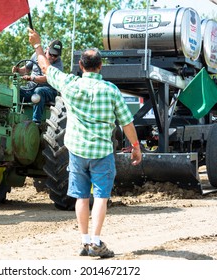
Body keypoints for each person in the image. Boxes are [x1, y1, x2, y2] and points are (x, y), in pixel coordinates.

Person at [28, 28, 142, 258]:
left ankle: (84, 241)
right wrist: (136, 147)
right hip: (101, 153)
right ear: (100, 67)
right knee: (100, 197)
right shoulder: (111, 91)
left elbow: (45, 68)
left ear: (81, 66)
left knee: (81, 197)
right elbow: (127, 123)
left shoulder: (70, 84)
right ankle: (96, 242)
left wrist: (37, 45)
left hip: (77, 152)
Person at [12, 39, 64, 124]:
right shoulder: (37, 55)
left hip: (48, 90)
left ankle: (36, 123)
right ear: (47, 49)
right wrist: (17, 70)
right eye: (51, 54)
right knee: (16, 91)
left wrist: (32, 78)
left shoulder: (58, 64)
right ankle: (14, 118)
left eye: (56, 55)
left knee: (39, 92)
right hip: (31, 88)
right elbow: (26, 69)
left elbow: (47, 78)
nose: (53, 57)